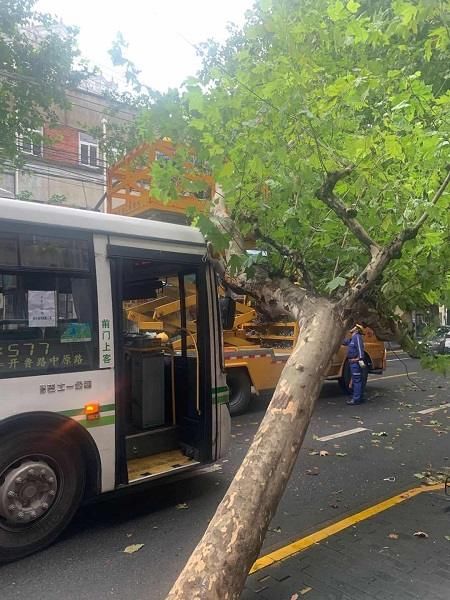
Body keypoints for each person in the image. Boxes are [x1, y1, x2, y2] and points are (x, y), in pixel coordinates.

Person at [343, 324, 366, 405]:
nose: (351, 327)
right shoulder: (352, 338)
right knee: (355, 380)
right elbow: (345, 342)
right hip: (352, 362)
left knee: (356, 380)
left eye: (353, 326)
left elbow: (360, 350)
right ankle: (359, 397)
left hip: (355, 363)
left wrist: (358, 359)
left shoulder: (357, 337)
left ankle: (356, 399)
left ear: (356, 329)